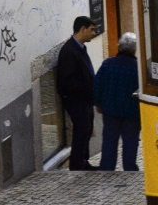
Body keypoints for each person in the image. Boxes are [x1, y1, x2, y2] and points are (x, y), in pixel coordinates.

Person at [56, 16, 99, 171]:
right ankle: (77, 164)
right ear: (82, 29)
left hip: (85, 98)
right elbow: (66, 81)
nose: (94, 33)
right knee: (81, 130)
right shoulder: (69, 51)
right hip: (76, 100)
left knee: (87, 129)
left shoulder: (80, 48)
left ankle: (83, 161)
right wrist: (86, 89)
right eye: (92, 30)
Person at [94, 33, 141, 171]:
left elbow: (98, 85)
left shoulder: (107, 64)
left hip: (110, 109)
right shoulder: (138, 67)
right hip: (132, 110)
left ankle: (107, 167)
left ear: (119, 47)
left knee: (109, 139)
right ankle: (130, 168)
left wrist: (98, 103)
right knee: (131, 141)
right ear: (134, 49)